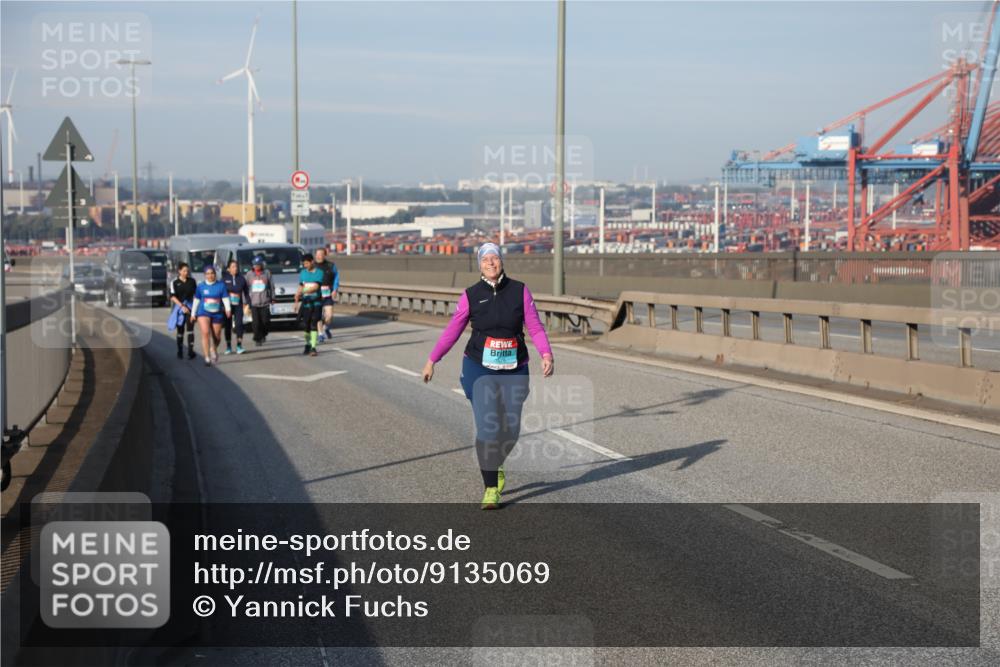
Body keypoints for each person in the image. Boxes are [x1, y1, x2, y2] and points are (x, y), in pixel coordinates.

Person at [422, 242, 554, 510]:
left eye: (495, 258)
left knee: (511, 429)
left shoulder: (519, 291)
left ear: (502, 261)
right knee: (487, 427)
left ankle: (497, 461)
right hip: (479, 368)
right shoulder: (471, 295)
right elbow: (453, 330)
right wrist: (432, 360)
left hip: (514, 368)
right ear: (479, 264)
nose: (491, 263)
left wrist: (546, 354)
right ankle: (491, 488)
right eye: (485, 260)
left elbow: (535, 327)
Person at [190, 265, 232, 366]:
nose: (210, 276)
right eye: (208, 274)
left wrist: (228, 309)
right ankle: (207, 357)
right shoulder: (201, 286)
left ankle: (213, 348)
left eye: (212, 273)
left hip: (217, 313)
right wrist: (193, 313)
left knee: (217, 336)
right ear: (205, 275)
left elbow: (225, 298)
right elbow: (196, 300)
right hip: (203, 312)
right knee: (205, 332)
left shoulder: (221, 285)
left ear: (215, 274)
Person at [294, 253, 324, 356]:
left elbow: (315, 287)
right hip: (306, 303)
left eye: (307, 263)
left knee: (313, 324)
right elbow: (301, 286)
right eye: (304, 263)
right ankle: (307, 344)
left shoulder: (319, 273)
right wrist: (296, 299)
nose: (305, 265)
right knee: (306, 326)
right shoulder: (303, 273)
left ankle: (313, 347)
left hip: (316, 302)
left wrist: (303, 291)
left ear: (312, 261)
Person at [169, 262, 197, 360]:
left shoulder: (192, 281)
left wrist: (193, 308)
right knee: (180, 330)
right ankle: (180, 350)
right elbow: (172, 297)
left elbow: (195, 295)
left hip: (190, 308)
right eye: (184, 271)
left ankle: (190, 351)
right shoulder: (174, 282)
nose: (186, 272)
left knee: (190, 329)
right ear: (179, 271)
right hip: (179, 308)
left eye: (187, 270)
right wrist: (182, 306)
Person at [245, 255, 274, 347]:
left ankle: (263, 334)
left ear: (262, 265)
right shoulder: (249, 274)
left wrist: (273, 297)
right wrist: (246, 301)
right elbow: (246, 288)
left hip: (265, 302)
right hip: (254, 303)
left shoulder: (267, 273)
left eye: (258, 264)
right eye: (255, 265)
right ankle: (257, 338)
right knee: (256, 323)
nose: (257, 266)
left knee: (265, 321)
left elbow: (271, 286)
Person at [222, 259, 250, 355]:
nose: (235, 268)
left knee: (239, 325)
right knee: (228, 326)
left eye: (236, 266)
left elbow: (246, 292)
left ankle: (239, 345)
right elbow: (221, 292)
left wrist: (247, 303)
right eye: (233, 267)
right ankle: (228, 346)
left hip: (238, 305)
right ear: (229, 269)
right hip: (227, 306)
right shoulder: (224, 279)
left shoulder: (241, 278)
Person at [313, 247, 340, 342]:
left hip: (327, 293)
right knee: (318, 315)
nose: (319, 256)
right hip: (316, 294)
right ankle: (320, 334)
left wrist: (335, 289)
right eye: (318, 254)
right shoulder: (312, 266)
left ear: (325, 255)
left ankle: (326, 327)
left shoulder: (331, 265)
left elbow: (336, 277)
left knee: (329, 315)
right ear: (315, 255)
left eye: (321, 254)